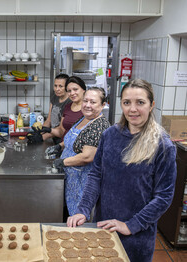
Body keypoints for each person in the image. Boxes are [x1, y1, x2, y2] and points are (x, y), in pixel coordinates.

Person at [67, 79, 177, 262]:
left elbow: (163, 197)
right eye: (127, 103)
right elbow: (96, 175)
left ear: (152, 105)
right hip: (104, 228)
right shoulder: (110, 135)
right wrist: (83, 209)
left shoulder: (163, 146)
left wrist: (131, 225)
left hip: (136, 237)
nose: (132, 109)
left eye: (140, 102)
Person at [47, 87, 110, 217]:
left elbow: (87, 157)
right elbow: (74, 139)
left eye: (93, 102)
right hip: (71, 177)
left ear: (103, 105)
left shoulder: (99, 125)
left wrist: (62, 162)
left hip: (83, 181)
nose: (87, 105)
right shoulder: (84, 118)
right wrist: (59, 146)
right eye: (85, 101)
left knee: (80, 218)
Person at [27, 73, 71, 144]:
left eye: (60, 86)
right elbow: (49, 120)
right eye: (55, 86)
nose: (57, 89)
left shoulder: (69, 103)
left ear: (67, 87)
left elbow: (61, 130)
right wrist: (40, 132)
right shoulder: (55, 97)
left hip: (63, 140)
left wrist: (43, 137)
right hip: (53, 137)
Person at [43, 76, 86, 142]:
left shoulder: (88, 109)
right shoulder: (68, 107)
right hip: (64, 144)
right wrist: (47, 130)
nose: (72, 93)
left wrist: (45, 135)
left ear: (83, 90)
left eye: (75, 89)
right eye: (69, 91)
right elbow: (62, 130)